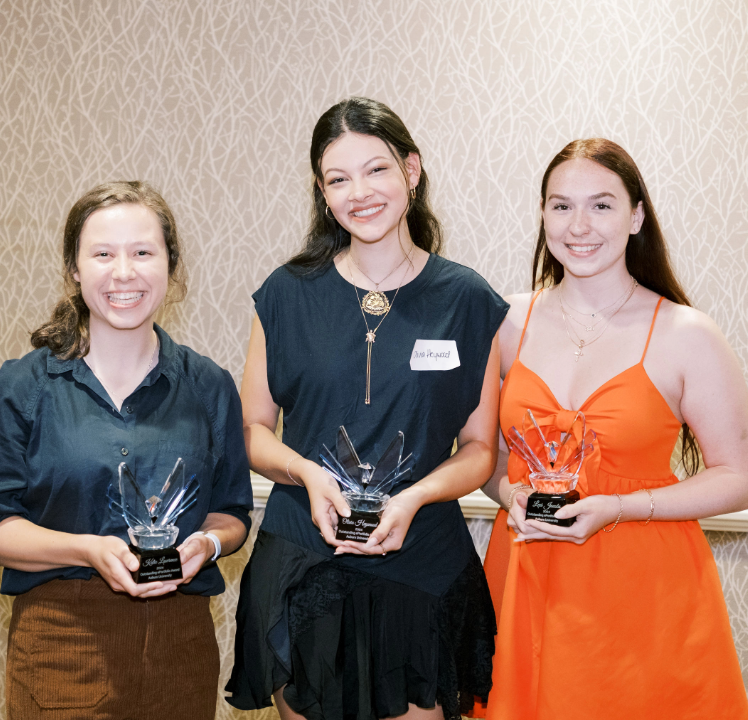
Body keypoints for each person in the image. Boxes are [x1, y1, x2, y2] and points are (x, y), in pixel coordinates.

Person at [226, 97, 506, 720]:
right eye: (338, 178)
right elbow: (253, 431)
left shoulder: (467, 300)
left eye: (376, 170)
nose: (360, 192)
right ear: (323, 194)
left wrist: (411, 498)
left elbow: (480, 449)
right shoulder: (285, 294)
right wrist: (307, 473)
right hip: (305, 559)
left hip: (421, 563)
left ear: (412, 171)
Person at [478, 138, 748, 719]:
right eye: (561, 205)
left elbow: (738, 478)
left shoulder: (688, 333)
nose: (579, 225)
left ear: (636, 216)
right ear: (542, 215)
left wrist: (621, 507)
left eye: (601, 205)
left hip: (644, 587)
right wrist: (510, 493)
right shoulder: (505, 323)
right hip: (525, 575)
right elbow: (487, 459)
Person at [0, 181, 253, 720]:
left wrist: (207, 545)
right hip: (60, 642)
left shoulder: (209, 386)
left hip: (180, 643)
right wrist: (88, 550)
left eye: (143, 252)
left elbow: (231, 512)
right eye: (102, 254)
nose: (123, 272)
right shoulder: (23, 388)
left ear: (170, 265)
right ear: (74, 268)